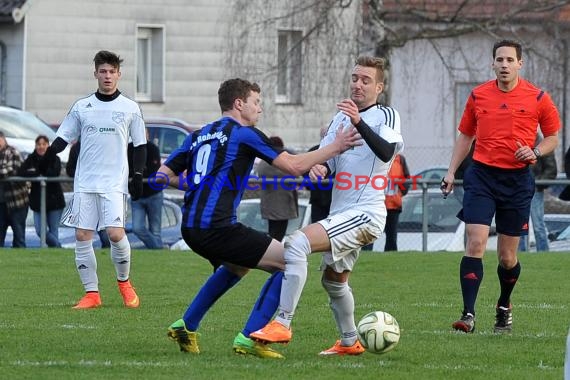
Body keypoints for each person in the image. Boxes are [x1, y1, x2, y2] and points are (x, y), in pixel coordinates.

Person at [157, 78, 360, 358]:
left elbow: (162, 176)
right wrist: (334, 147)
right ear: (239, 104)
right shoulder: (244, 134)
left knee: (238, 266)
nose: (259, 109)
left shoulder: (199, 135)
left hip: (191, 226)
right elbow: (293, 166)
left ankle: (186, 324)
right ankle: (251, 338)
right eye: (256, 102)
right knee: (289, 261)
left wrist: (196, 185)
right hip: (217, 226)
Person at [251, 56, 404, 355]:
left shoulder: (387, 115)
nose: (358, 84)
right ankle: (349, 342)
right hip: (343, 213)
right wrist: (319, 168)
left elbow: (386, 153)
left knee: (296, 243)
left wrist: (359, 121)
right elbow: (327, 160)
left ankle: (282, 323)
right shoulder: (340, 118)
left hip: (366, 214)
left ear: (380, 87)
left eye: (366, 80)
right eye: (355, 78)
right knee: (334, 282)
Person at [441, 40, 560, 334]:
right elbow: (465, 137)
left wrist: (535, 152)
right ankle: (468, 314)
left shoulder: (538, 97)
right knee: (476, 241)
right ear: (492, 64)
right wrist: (451, 171)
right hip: (481, 176)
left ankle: (504, 306)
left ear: (520, 64)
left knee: (507, 258)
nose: (504, 65)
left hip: (517, 181)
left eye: (510, 60)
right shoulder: (478, 96)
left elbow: (553, 137)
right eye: (499, 60)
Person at [47, 50, 147, 309]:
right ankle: (92, 294)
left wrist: (137, 174)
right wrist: (50, 151)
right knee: (82, 235)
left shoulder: (130, 108)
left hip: (114, 183)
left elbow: (140, 145)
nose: (107, 76)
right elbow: (64, 135)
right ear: (95, 74)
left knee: (115, 234)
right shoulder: (82, 107)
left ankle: (124, 284)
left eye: (111, 72)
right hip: (85, 182)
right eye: (102, 71)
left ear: (118, 75)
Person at [18, 135, 66, 247]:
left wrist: (36, 171)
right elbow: (21, 172)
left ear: (48, 145)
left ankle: (54, 257)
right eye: (39, 144)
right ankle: (59, 248)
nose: (41, 147)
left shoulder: (55, 158)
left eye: (44, 144)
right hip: (37, 201)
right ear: (35, 146)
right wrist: (37, 173)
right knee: (40, 231)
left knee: (54, 230)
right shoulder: (31, 158)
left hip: (55, 200)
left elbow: (53, 174)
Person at [66, 141, 111, 248]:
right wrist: (82, 174)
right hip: (83, 194)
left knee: (105, 233)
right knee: (83, 233)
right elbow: (70, 169)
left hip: (101, 193)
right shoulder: (76, 148)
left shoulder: (102, 144)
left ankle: (107, 252)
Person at [519, 134, 557, 252]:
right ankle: (521, 253)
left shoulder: (542, 143)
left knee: (538, 224)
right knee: (520, 224)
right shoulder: (517, 140)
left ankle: (543, 252)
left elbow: (551, 169)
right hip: (518, 188)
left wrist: (536, 184)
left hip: (533, 188)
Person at [256, 136, 298, 241]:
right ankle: (271, 255)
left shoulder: (263, 162)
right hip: (283, 202)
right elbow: (296, 174)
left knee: (273, 232)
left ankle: (271, 254)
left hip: (269, 203)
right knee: (278, 234)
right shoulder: (282, 161)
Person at [128, 132, 164, 249]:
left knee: (156, 230)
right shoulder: (128, 149)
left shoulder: (153, 149)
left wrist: (137, 175)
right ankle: (159, 249)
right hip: (136, 196)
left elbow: (155, 171)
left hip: (154, 194)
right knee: (137, 228)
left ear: (148, 135)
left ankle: (157, 258)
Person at [0, 131, 29, 248]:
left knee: (19, 235)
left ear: (3, 139)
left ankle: (23, 262)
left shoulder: (13, 152)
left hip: (17, 201)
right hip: (1, 202)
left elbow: (9, 171)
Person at [384, 153, 410, 251]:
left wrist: (400, 192)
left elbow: (407, 179)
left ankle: (390, 257)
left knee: (391, 237)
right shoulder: (375, 156)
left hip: (394, 205)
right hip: (376, 204)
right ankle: (367, 256)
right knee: (370, 235)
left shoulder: (400, 159)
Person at [307, 144, 332, 224]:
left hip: (317, 199)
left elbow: (305, 175)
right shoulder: (340, 151)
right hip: (328, 199)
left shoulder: (313, 151)